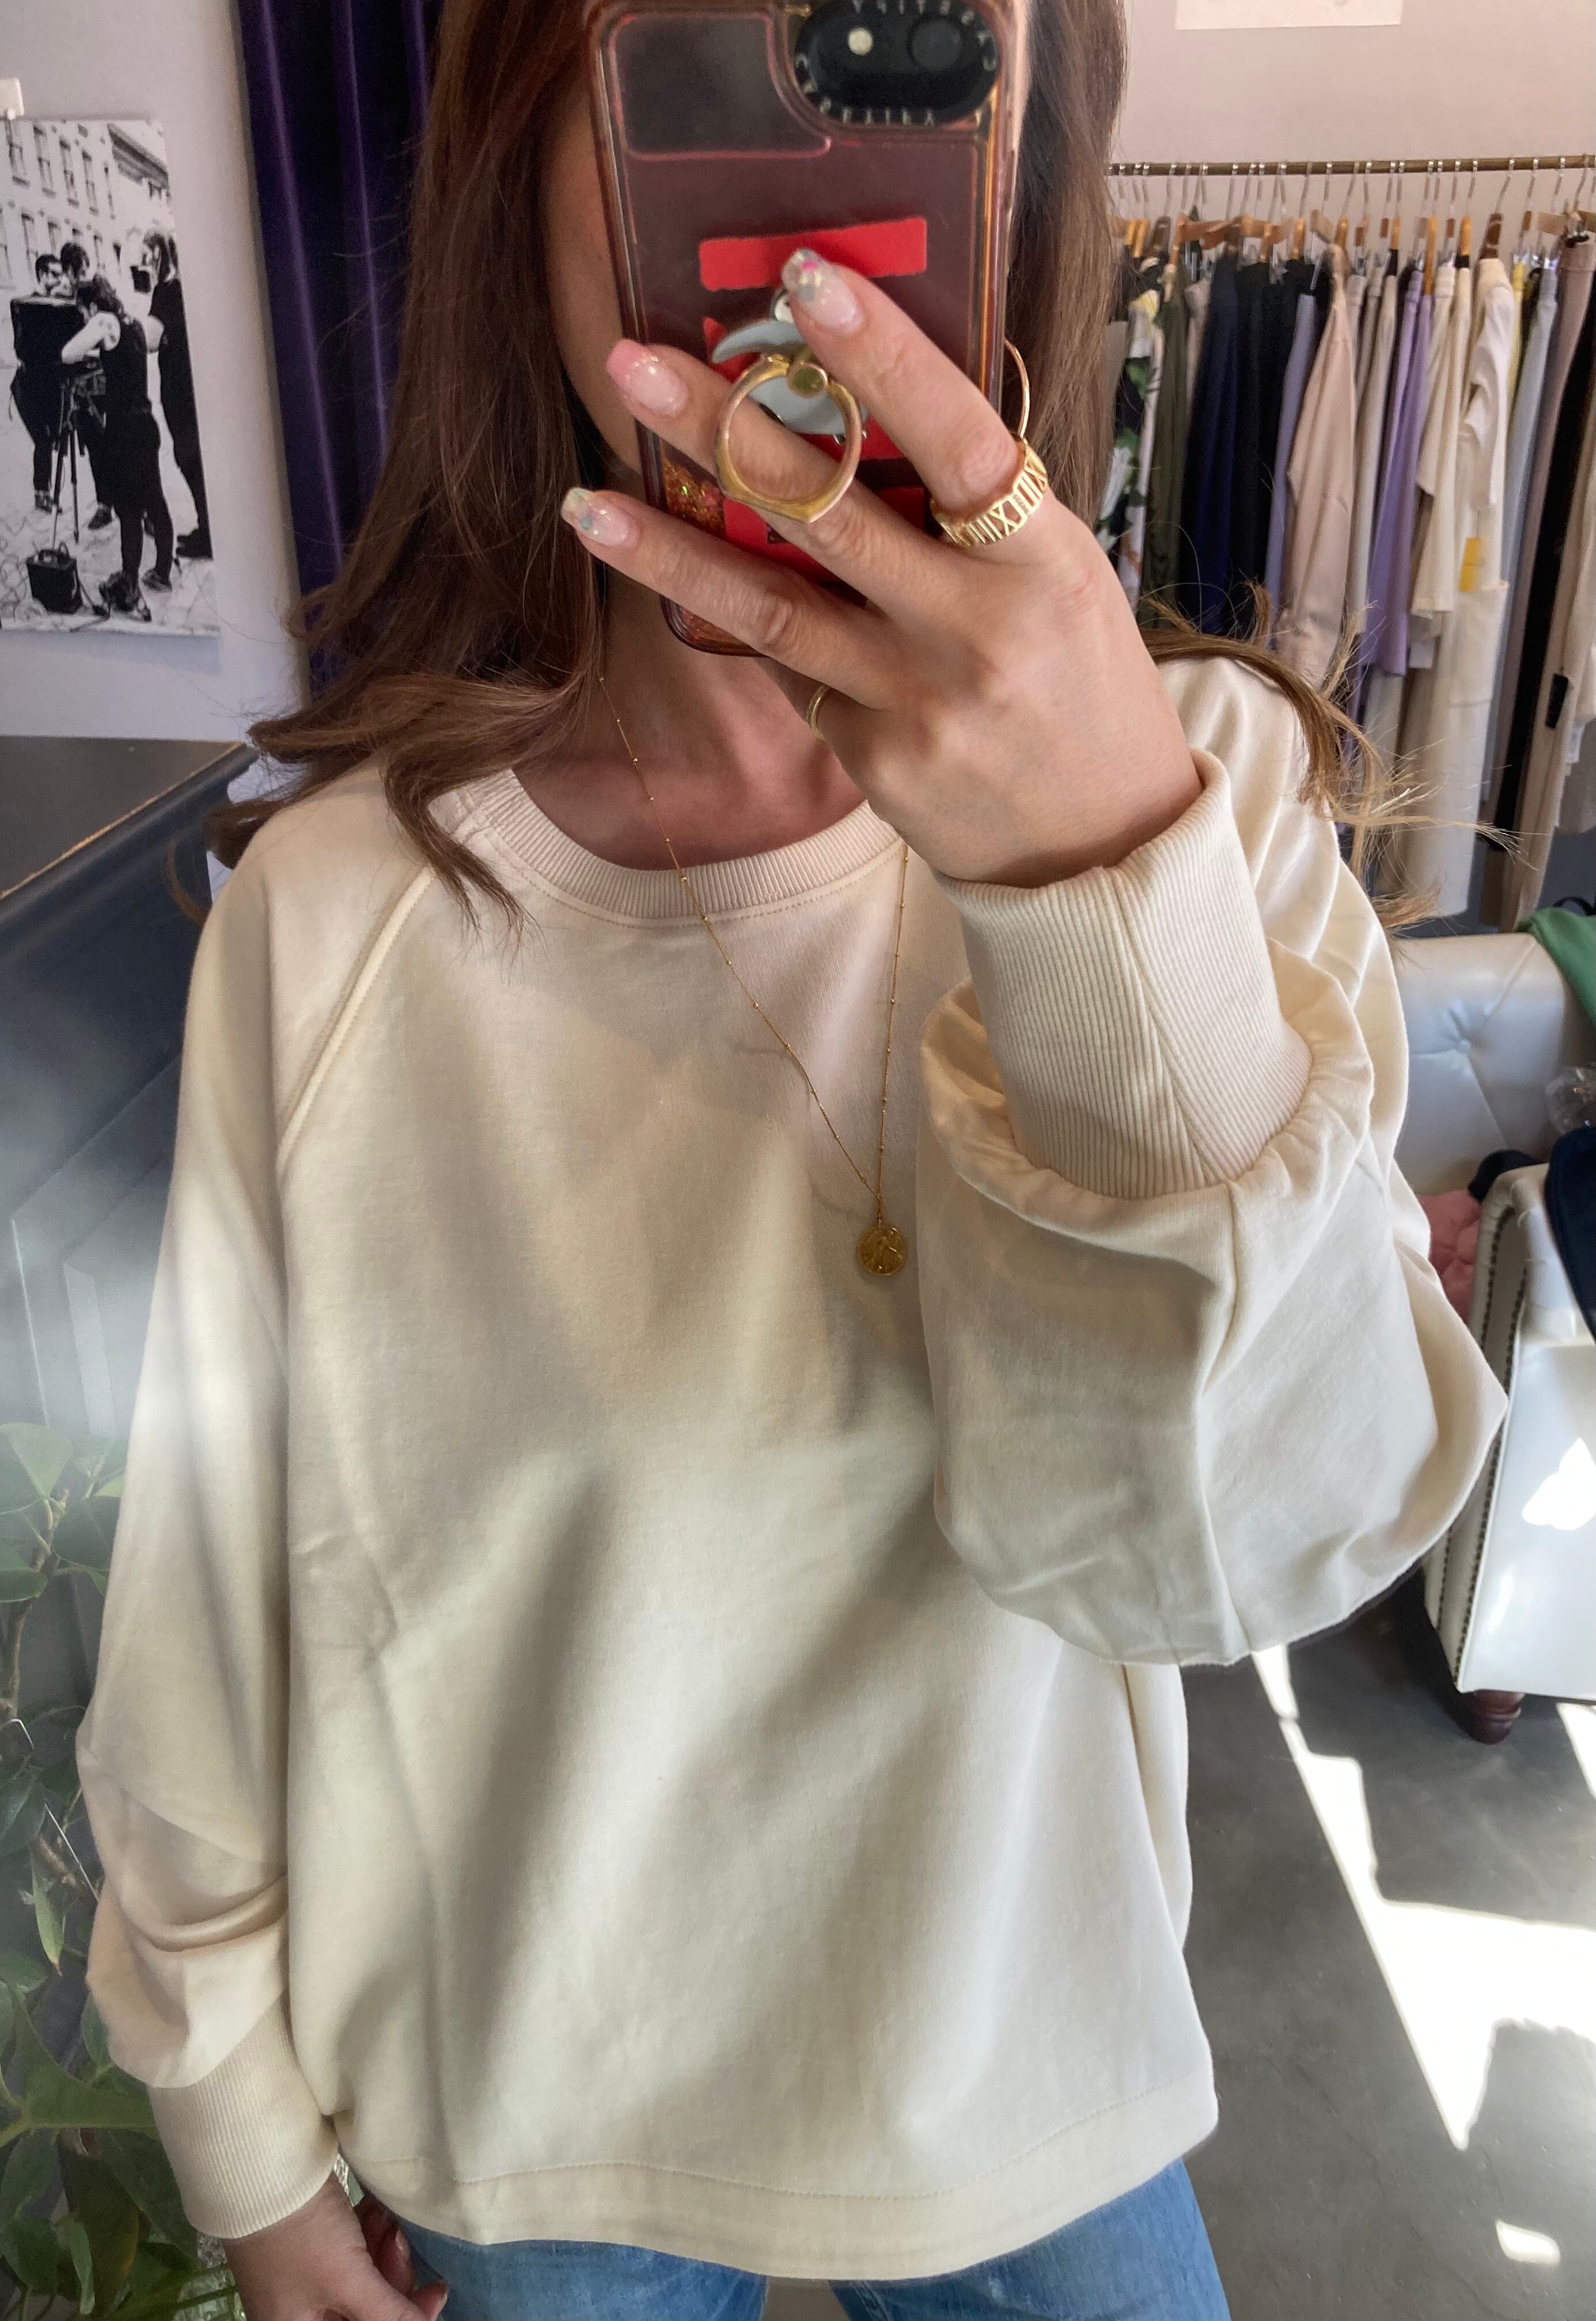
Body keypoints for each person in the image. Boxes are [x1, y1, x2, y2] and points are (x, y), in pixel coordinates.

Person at [75, 3, 1503, 2319]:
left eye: (902, 35)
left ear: (1025, 155)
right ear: (532, 150)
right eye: (688, 49)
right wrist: (234, 2121)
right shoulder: (338, 919)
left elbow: (1248, 1550)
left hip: (1021, 2054)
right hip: (540, 2094)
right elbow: (212, 1586)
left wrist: (1093, 898)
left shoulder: (1196, 796)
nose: (792, 196)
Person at [60, 274, 174, 619]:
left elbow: (68, 353)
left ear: (92, 304)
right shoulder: (133, 324)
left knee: (129, 511)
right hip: (146, 425)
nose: (84, 317)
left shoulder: (104, 322)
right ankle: (162, 574)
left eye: (83, 310)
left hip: (125, 432)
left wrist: (88, 332)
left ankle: (129, 584)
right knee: (155, 500)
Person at [138, 227, 211, 558]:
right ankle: (209, 527)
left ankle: (209, 534)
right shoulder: (191, 288)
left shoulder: (167, 292)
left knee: (189, 459)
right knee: (199, 459)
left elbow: (151, 340)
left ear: (157, 255)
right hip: (197, 383)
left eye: (145, 255)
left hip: (180, 389)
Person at [58, 237, 116, 530]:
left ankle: (131, 506)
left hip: (101, 377)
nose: (79, 276)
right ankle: (106, 505)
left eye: (81, 270)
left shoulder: (93, 292)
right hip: (83, 384)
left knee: (114, 441)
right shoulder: (66, 298)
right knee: (95, 444)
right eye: (77, 271)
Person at [9, 251, 70, 511]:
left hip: (52, 382)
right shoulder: (27, 306)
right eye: (54, 275)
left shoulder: (60, 305)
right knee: (43, 439)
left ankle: (46, 491)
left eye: (61, 275)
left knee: (54, 438)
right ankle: (41, 493)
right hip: (29, 384)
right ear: (42, 275)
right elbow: (21, 349)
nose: (58, 280)